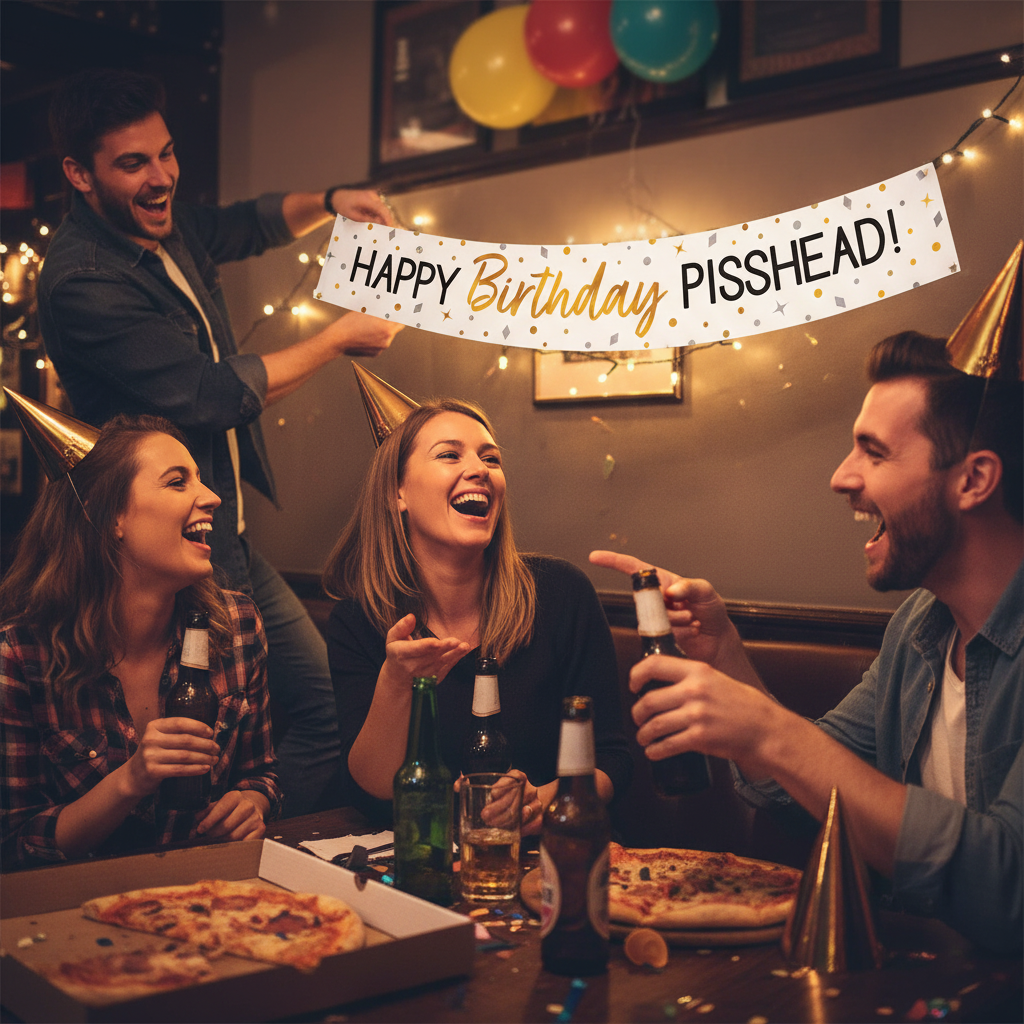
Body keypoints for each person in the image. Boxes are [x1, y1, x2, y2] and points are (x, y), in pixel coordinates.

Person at [38, 68, 403, 815]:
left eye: (166, 154)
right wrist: (336, 341)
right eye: (133, 163)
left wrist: (333, 203)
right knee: (200, 730)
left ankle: (244, 838)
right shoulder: (81, 280)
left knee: (316, 713)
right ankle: (199, 856)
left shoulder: (168, 228)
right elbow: (206, 395)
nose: (161, 176)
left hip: (221, 531)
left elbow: (249, 221)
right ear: (79, 174)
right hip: (144, 552)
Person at [591, 329, 1022, 952]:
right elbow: (791, 791)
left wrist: (772, 731)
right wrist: (725, 655)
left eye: (873, 453)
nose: (841, 477)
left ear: (973, 479)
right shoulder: (920, 629)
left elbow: (1008, 883)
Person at [323, 397, 632, 831]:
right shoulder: (359, 621)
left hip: (550, 862)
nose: (480, 469)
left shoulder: (561, 593)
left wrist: (537, 803)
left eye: (491, 458)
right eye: (450, 455)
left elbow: (612, 760)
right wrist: (396, 684)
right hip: (421, 869)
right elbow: (371, 788)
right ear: (398, 493)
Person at [0, 413, 282, 869]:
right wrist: (130, 780)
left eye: (200, 481)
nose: (211, 497)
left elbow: (261, 774)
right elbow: (12, 846)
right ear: (110, 516)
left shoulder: (236, 624)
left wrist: (253, 803)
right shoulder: (20, 655)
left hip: (207, 896)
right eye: (177, 482)